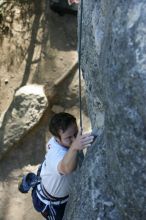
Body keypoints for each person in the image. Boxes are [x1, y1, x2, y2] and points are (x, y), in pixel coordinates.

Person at [30, 112, 93, 219]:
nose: (74, 139)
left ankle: (30, 180)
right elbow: (66, 168)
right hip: (51, 203)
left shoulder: (59, 142)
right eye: (69, 137)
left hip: (47, 179)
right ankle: (29, 180)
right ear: (57, 138)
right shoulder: (57, 153)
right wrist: (74, 147)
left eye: (75, 133)